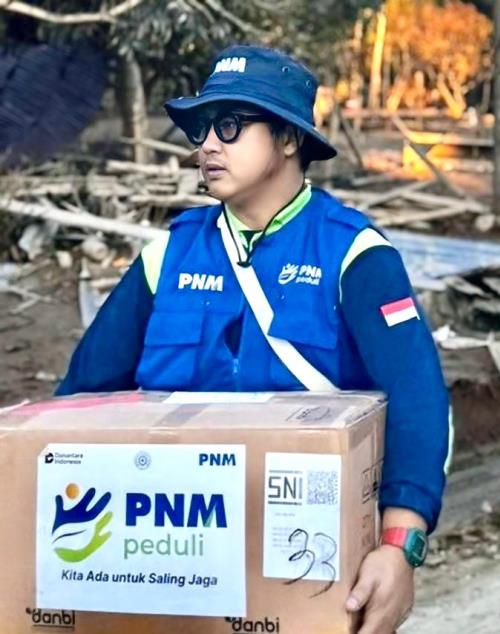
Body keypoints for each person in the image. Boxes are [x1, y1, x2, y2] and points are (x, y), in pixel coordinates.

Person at [56, 45, 450, 634]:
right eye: (202, 129)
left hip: (306, 576)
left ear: (288, 138)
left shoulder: (354, 254)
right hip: (168, 563)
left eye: (231, 125)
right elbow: (79, 397)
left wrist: (400, 546)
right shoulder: (168, 256)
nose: (207, 146)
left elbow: (421, 402)